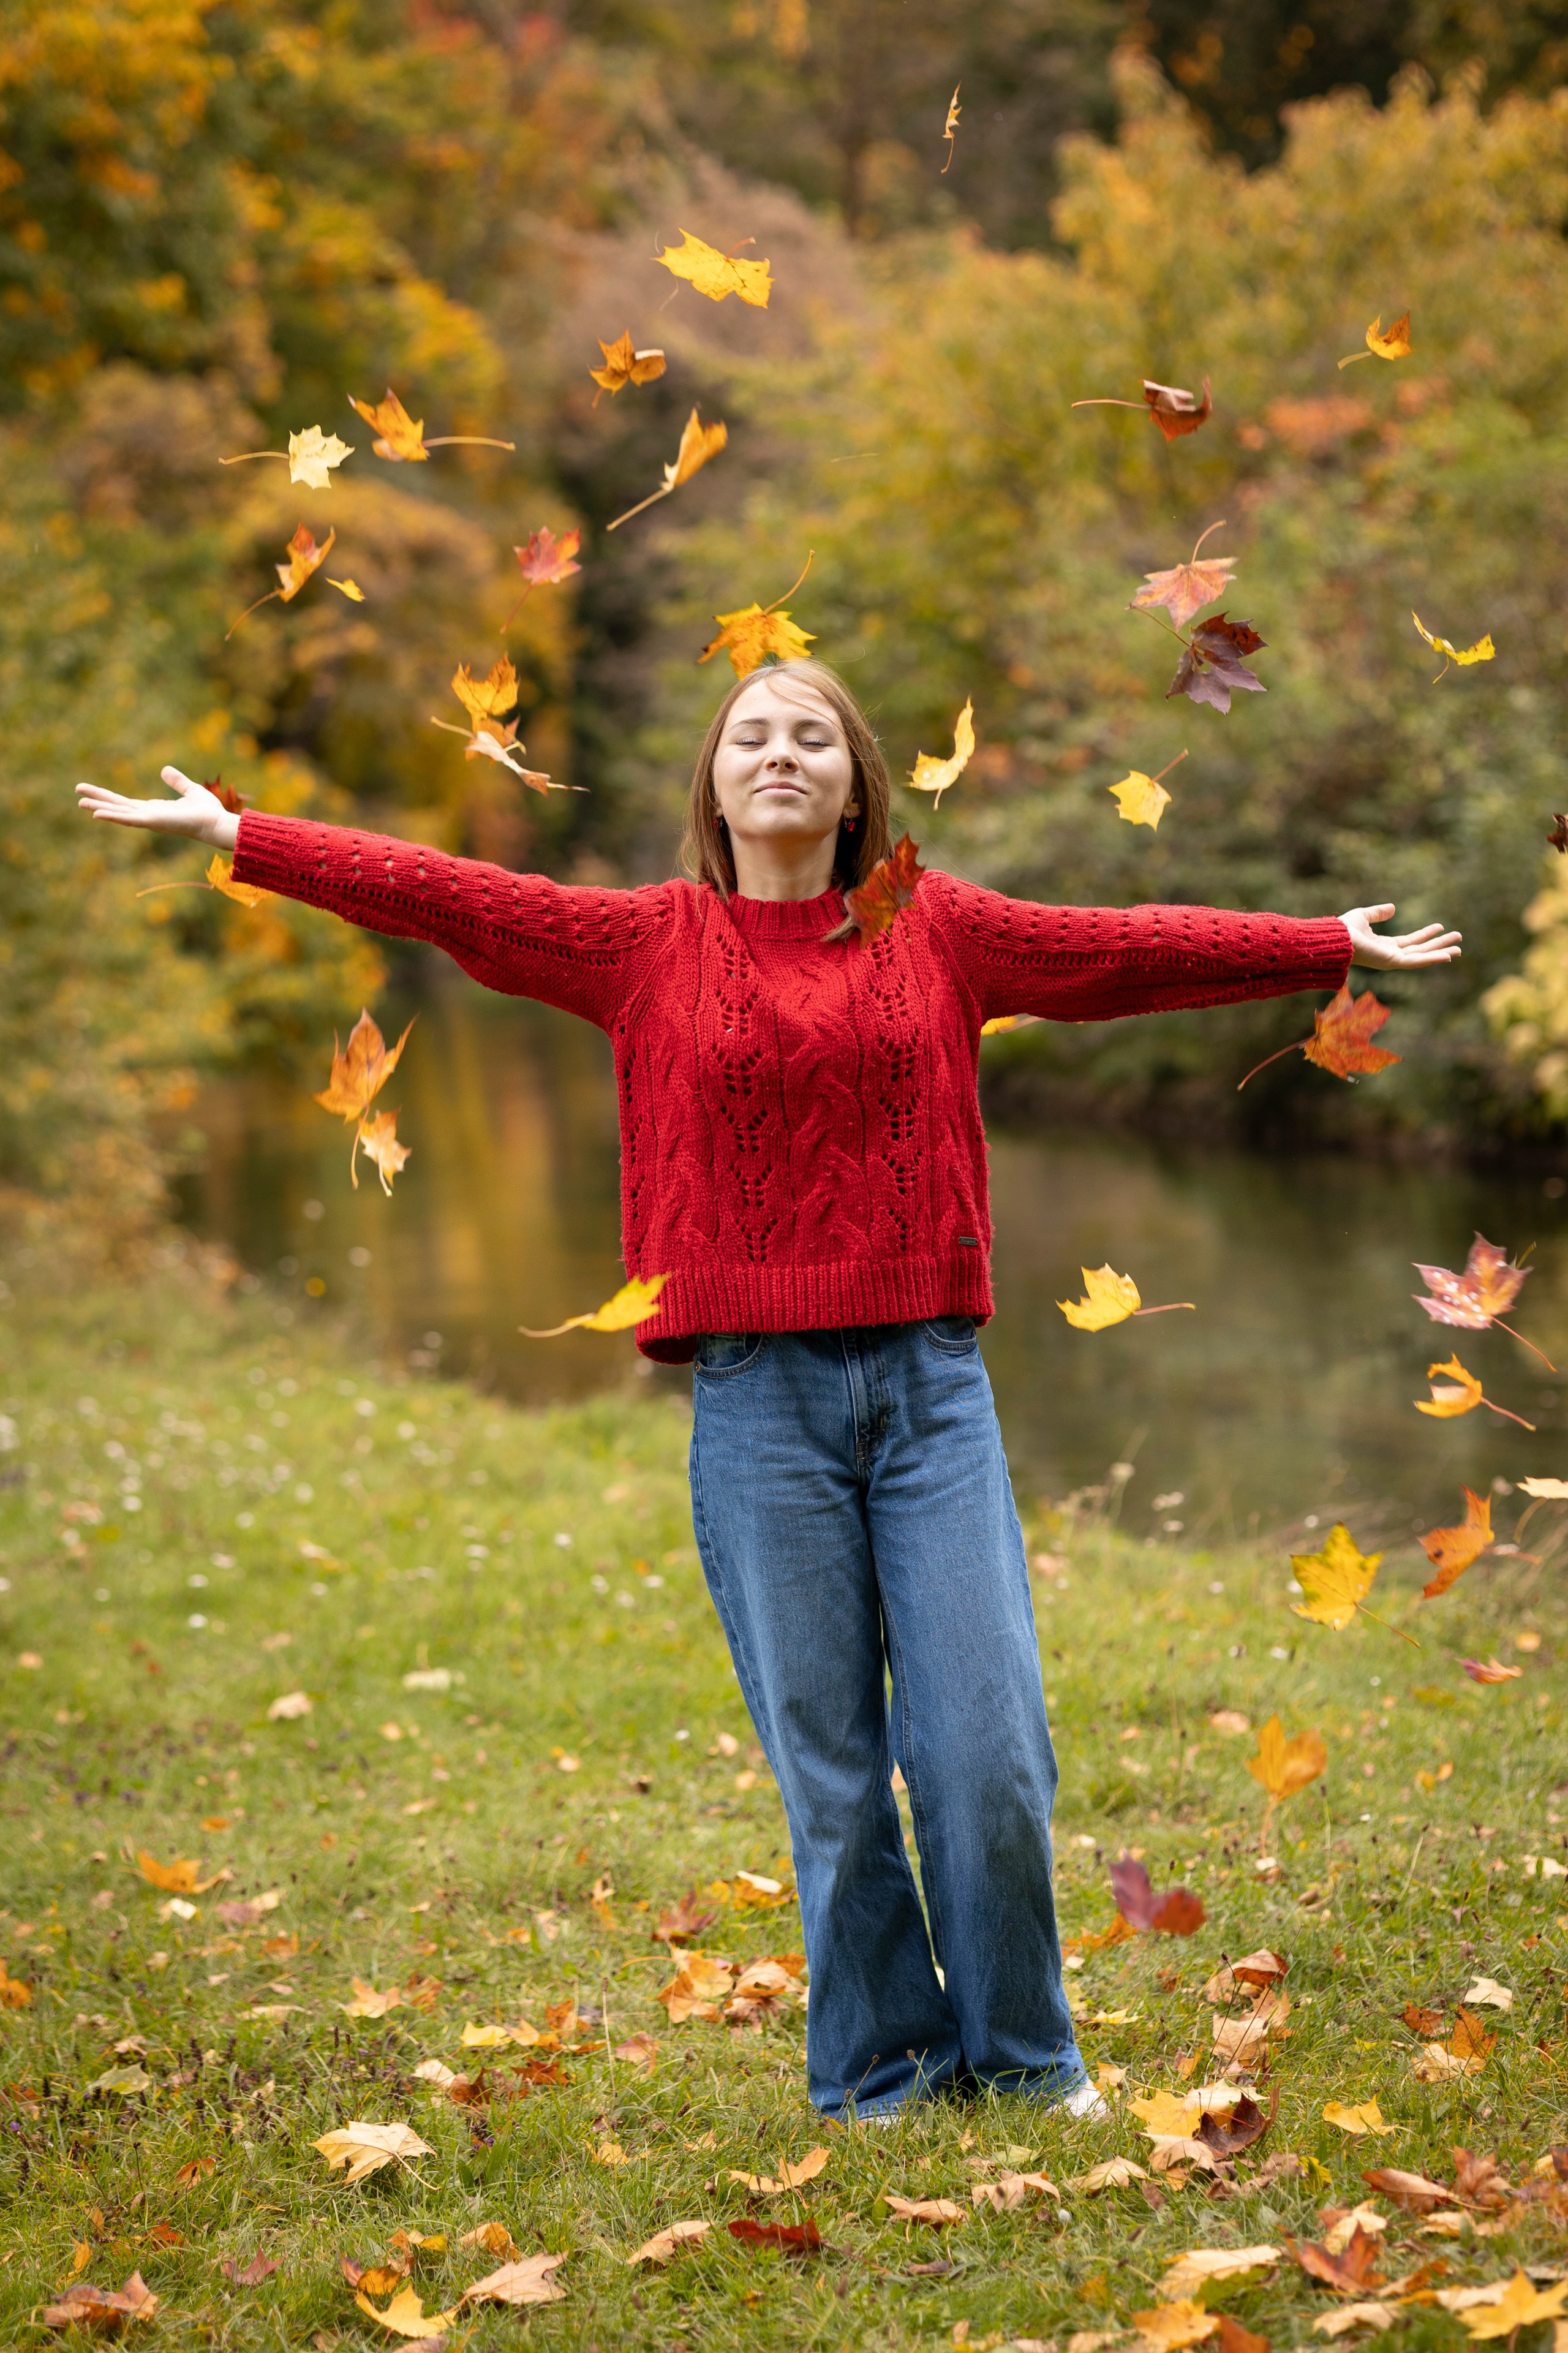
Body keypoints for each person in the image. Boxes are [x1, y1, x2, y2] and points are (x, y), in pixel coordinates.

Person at [76, 657, 1460, 2123]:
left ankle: (1029, 2058)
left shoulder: (931, 924)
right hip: (755, 1405)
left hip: (930, 1389)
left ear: (858, 783)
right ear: (715, 781)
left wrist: (1314, 942)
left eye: (813, 736)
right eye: (752, 735)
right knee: (835, 1776)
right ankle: (883, 2072)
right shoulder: (643, 943)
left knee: (984, 1753)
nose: (781, 754)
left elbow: (1110, 950)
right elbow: (450, 894)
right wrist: (242, 835)